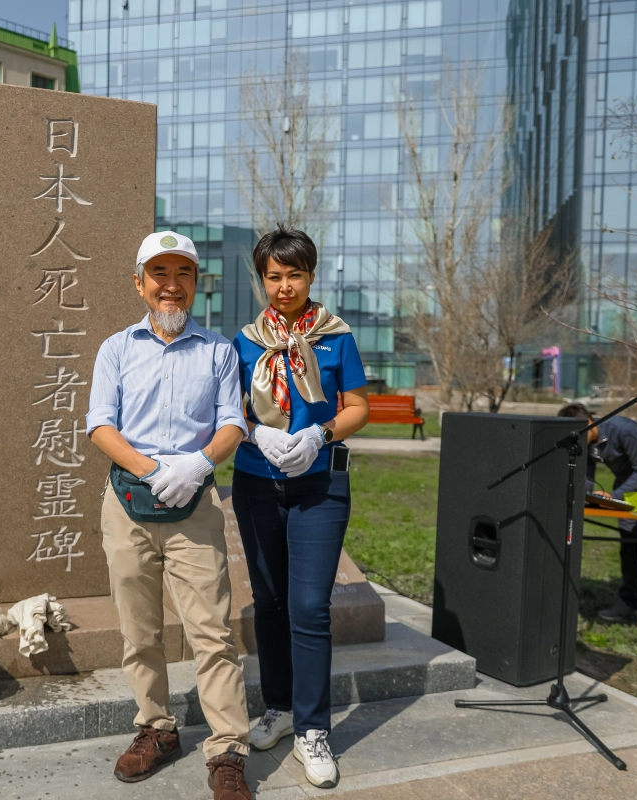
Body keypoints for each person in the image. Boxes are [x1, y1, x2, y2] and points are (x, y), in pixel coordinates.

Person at [86, 230, 252, 800]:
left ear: (195, 285)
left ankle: (228, 750)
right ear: (140, 283)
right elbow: (100, 425)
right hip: (128, 503)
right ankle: (156, 729)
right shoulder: (115, 348)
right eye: (160, 274)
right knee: (139, 629)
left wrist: (198, 464)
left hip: (196, 507)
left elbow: (234, 421)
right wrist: (152, 470)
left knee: (212, 633)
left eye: (182, 275)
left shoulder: (218, 351)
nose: (171, 286)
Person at [230, 227, 370, 789]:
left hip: (320, 488)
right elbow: (227, 409)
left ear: (311, 275)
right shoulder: (243, 342)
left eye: (295, 275)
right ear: (261, 278)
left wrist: (322, 435)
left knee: (309, 607)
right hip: (256, 483)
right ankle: (281, 708)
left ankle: (314, 729)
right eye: (273, 276)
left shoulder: (337, 337)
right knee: (268, 602)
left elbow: (359, 406)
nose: (284, 286)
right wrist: (254, 434)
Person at [557, 404, 637, 626]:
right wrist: (585, 494)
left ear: (589, 423)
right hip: (628, 483)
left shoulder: (622, 429)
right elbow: (589, 473)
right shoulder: (587, 440)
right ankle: (628, 601)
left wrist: (614, 496)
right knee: (628, 542)